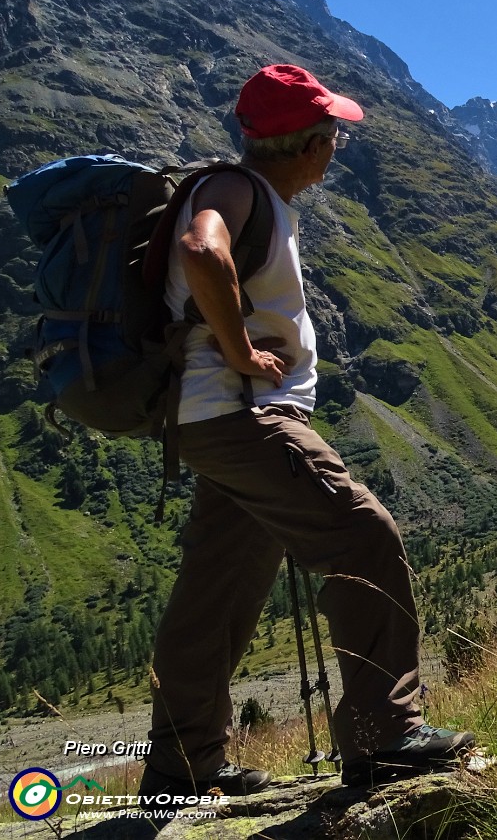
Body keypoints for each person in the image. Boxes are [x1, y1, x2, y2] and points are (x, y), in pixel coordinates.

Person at [139, 65, 474, 801]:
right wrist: (240, 351)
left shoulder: (252, 194)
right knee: (363, 536)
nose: (335, 152)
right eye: (331, 139)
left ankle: (182, 765)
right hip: (245, 418)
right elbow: (203, 251)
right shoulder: (235, 191)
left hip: (211, 423)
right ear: (305, 144)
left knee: (219, 587)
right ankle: (385, 735)